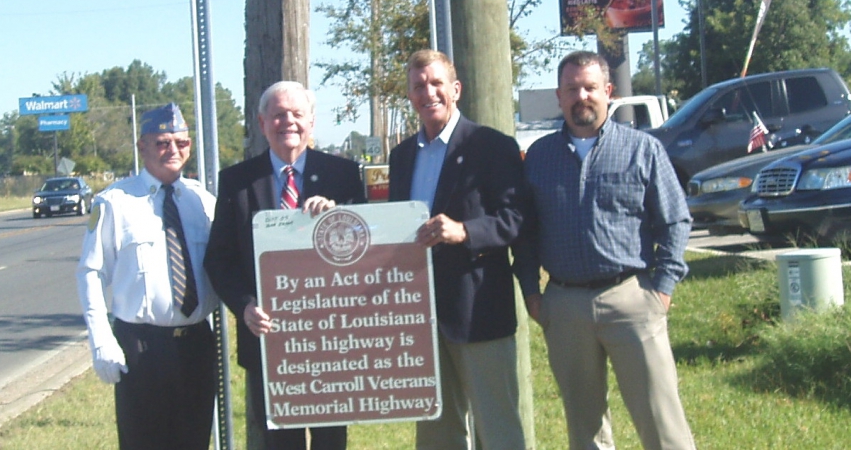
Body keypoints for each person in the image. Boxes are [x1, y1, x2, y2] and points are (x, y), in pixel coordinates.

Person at [515, 50, 695, 450]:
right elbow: (523, 233)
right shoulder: (538, 158)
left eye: (590, 87)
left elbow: (676, 221)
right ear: (559, 97)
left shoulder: (642, 149)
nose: (582, 96)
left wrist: (662, 289)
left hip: (631, 298)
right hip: (563, 305)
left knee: (662, 424)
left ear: (608, 92)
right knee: (585, 431)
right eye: (572, 88)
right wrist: (532, 294)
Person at [204, 81, 364, 450]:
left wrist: (340, 216)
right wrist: (244, 306)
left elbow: (368, 246)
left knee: (330, 441)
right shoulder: (237, 181)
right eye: (278, 115)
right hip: (268, 339)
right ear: (262, 123)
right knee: (279, 442)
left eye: (296, 114)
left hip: (330, 339)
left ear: (312, 121)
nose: (287, 122)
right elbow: (219, 258)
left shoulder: (344, 174)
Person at [387, 49, 527, 450]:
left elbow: (517, 218)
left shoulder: (491, 146)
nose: (428, 92)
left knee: (497, 429)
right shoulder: (401, 158)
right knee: (437, 433)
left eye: (436, 83)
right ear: (410, 96)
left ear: (456, 89)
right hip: (421, 315)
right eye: (418, 86)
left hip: (478, 310)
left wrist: (465, 231)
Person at [76, 102, 218, 450]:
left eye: (182, 143)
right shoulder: (115, 202)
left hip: (197, 344)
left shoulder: (202, 201)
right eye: (162, 142)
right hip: (142, 347)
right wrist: (101, 341)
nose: (173, 150)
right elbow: (90, 273)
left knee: (195, 440)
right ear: (142, 146)